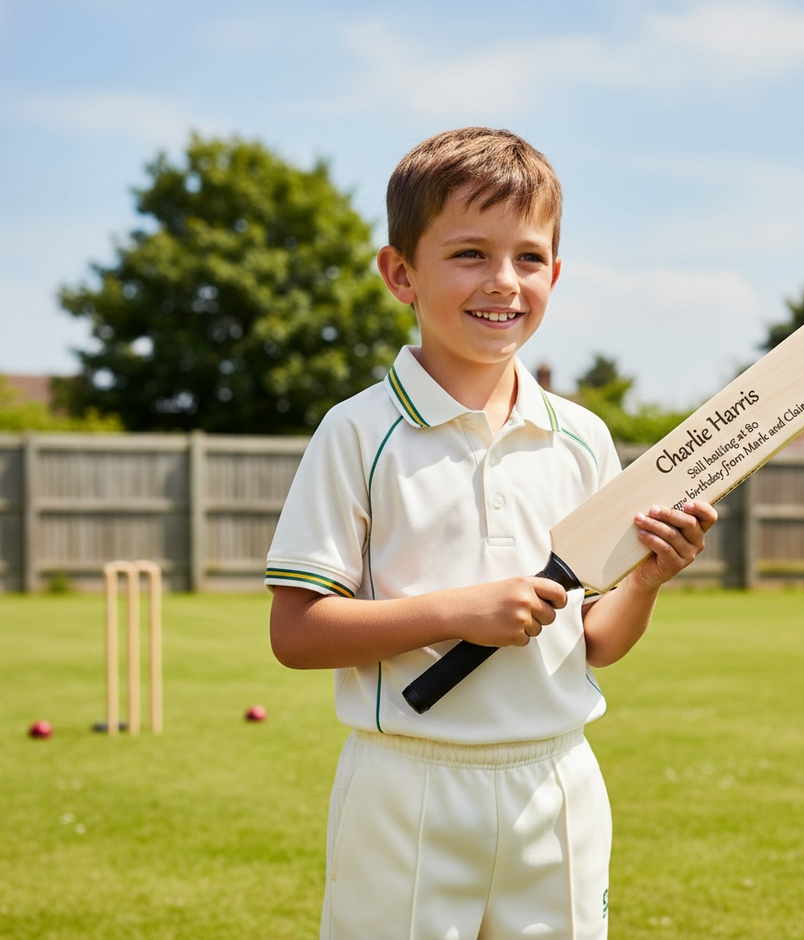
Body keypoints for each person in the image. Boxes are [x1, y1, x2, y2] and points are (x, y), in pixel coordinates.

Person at [265, 126, 717, 939]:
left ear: (555, 274)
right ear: (400, 273)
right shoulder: (357, 433)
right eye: (469, 253)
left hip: (558, 781)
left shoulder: (582, 437)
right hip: (408, 785)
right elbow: (296, 635)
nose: (503, 281)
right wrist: (457, 613)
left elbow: (595, 642)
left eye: (529, 257)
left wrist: (648, 579)